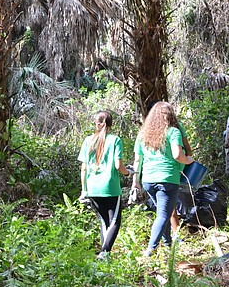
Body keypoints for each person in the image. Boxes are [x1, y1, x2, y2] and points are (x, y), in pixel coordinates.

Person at [130, 101, 194, 257]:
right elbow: (177, 155)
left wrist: (135, 181)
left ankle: (167, 243)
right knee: (163, 215)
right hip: (167, 179)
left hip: (148, 180)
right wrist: (189, 160)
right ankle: (150, 250)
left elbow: (137, 161)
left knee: (162, 212)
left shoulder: (143, 134)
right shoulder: (173, 132)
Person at [78, 110, 131, 258]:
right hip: (110, 187)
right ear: (110, 124)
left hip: (92, 187)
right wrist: (128, 173)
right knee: (114, 221)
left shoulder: (88, 140)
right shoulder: (115, 140)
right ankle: (104, 252)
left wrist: (84, 190)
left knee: (104, 221)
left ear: (97, 123)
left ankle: (105, 255)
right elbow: (118, 165)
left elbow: (84, 168)